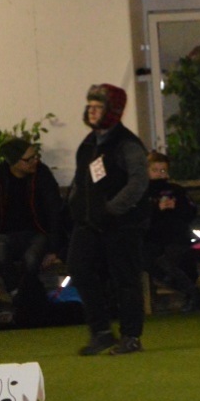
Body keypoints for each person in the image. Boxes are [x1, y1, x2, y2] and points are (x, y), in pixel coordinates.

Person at [66, 83, 151, 355]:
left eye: (98, 106)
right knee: (78, 268)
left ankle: (131, 336)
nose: (91, 111)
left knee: (126, 279)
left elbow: (138, 182)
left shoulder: (128, 144)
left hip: (123, 224)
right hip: (90, 223)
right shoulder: (88, 144)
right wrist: (76, 205)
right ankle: (101, 332)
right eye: (90, 106)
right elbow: (80, 180)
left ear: (112, 110)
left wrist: (113, 208)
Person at [0, 137, 62, 328]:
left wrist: (54, 249)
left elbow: (55, 211)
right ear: (14, 162)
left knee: (32, 259)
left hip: (37, 233)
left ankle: (23, 305)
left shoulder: (42, 175)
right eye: (28, 159)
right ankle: (20, 299)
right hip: (5, 236)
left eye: (35, 157)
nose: (34, 161)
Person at [142, 151, 200, 313]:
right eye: (155, 170)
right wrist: (156, 208)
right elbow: (139, 217)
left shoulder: (176, 190)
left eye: (163, 170)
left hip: (176, 238)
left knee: (173, 258)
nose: (159, 174)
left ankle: (192, 294)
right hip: (152, 239)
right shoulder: (142, 193)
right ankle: (192, 292)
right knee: (148, 259)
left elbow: (191, 212)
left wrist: (176, 207)